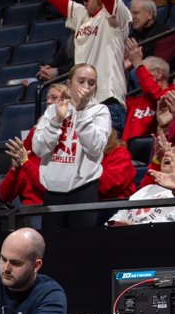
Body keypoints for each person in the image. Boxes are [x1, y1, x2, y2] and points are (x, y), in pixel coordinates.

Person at [18, 0, 131, 128]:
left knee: (106, 154)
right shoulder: (81, 14)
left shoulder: (114, 14)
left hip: (107, 103)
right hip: (80, 106)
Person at [31, 63, 115, 230]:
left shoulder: (100, 111)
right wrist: (55, 122)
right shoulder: (53, 110)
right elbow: (38, 149)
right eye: (81, 81)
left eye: (91, 83)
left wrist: (81, 112)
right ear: (69, 84)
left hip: (83, 189)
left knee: (80, 247)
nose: (86, 87)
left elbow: (95, 147)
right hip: (53, 190)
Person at [115, 143, 175, 224]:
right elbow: (121, 213)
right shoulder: (147, 188)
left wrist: (139, 227)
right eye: (168, 151)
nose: (167, 153)